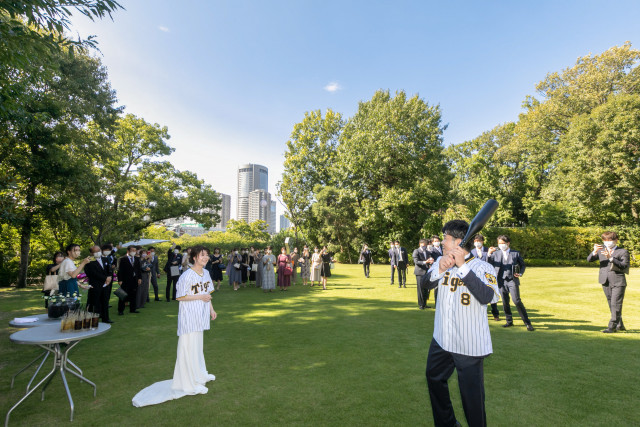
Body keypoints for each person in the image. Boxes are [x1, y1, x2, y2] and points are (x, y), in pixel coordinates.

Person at [423, 220, 500, 427]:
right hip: (442, 338)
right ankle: (446, 423)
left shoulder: (484, 266)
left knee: (471, 398)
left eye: (446, 239)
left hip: (469, 344)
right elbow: (425, 286)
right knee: (433, 378)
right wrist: (439, 268)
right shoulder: (442, 260)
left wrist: (462, 267)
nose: (442, 243)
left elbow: (487, 296)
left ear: (458, 242)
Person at [132, 245, 217, 407]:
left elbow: (208, 294)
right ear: (194, 258)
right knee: (187, 347)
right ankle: (187, 381)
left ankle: (198, 374)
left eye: (207, 255)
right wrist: (201, 297)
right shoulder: (187, 275)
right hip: (189, 317)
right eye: (202, 255)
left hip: (200, 316)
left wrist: (211, 310)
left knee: (197, 347)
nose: (205, 258)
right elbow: (180, 297)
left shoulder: (206, 273)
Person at [488, 235, 534, 331]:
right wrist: (488, 254)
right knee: (505, 302)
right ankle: (509, 321)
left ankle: (527, 323)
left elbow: (523, 265)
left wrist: (520, 273)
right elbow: (488, 264)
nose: (501, 245)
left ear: (508, 243)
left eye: (503, 243)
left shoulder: (515, 253)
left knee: (516, 300)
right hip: (501, 280)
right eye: (499, 243)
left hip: (512, 280)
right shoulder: (495, 253)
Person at [587, 231, 630, 333]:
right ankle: (620, 325)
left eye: (610, 240)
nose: (607, 242)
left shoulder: (622, 251)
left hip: (618, 281)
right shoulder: (601, 250)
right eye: (605, 240)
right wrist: (594, 251)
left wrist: (610, 258)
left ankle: (612, 327)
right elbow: (589, 260)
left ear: (616, 240)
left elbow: (624, 265)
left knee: (616, 304)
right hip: (605, 280)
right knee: (611, 303)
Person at [473, 235, 500, 321]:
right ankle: (478, 314)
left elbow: (491, 262)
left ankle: (495, 314)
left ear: (482, 241)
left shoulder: (488, 250)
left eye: (479, 241)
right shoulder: (471, 252)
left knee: (491, 293)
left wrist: (489, 254)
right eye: (476, 241)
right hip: (476, 276)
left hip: (487, 275)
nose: (477, 243)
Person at [84, 245, 113, 323]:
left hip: (106, 284)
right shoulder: (89, 261)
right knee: (94, 301)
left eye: (99, 250)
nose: (98, 252)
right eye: (95, 251)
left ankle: (105, 318)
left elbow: (109, 269)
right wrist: (105, 278)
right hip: (95, 284)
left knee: (105, 301)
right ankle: (92, 319)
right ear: (91, 253)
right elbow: (92, 273)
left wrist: (109, 277)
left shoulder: (105, 259)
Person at [117, 245, 142, 315]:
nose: (134, 252)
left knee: (134, 295)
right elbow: (120, 270)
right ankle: (120, 310)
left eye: (135, 250)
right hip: (125, 280)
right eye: (132, 250)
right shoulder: (123, 259)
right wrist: (120, 280)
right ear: (128, 251)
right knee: (123, 295)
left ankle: (132, 309)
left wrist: (139, 278)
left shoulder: (137, 259)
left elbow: (138, 270)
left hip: (134, 279)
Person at [413, 239, 433, 309]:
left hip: (426, 272)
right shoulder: (416, 251)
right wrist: (425, 262)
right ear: (420, 244)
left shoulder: (427, 252)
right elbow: (416, 261)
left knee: (426, 288)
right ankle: (421, 304)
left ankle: (425, 303)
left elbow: (430, 260)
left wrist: (431, 262)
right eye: (423, 245)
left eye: (425, 245)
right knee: (420, 288)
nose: (424, 246)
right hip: (419, 272)